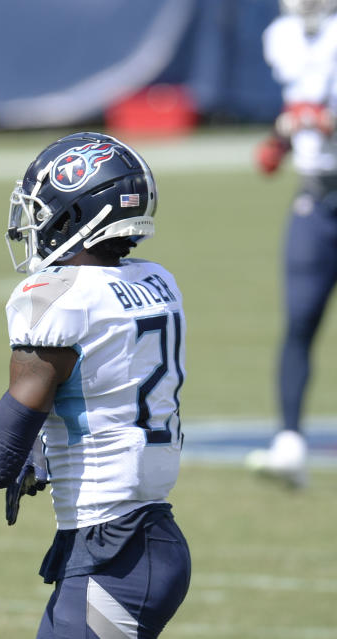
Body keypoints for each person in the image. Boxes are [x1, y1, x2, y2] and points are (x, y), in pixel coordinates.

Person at [0, 132, 191, 639]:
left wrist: (14, 449)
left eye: (43, 208)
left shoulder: (58, 298)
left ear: (77, 212)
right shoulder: (158, 281)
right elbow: (100, 385)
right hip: (146, 533)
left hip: (113, 548)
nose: (35, 221)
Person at [249, 0, 337, 488]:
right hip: (316, 196)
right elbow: (300, 108)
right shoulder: (281, 35)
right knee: (300, 317)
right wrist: (281, 139)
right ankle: (289, 441)